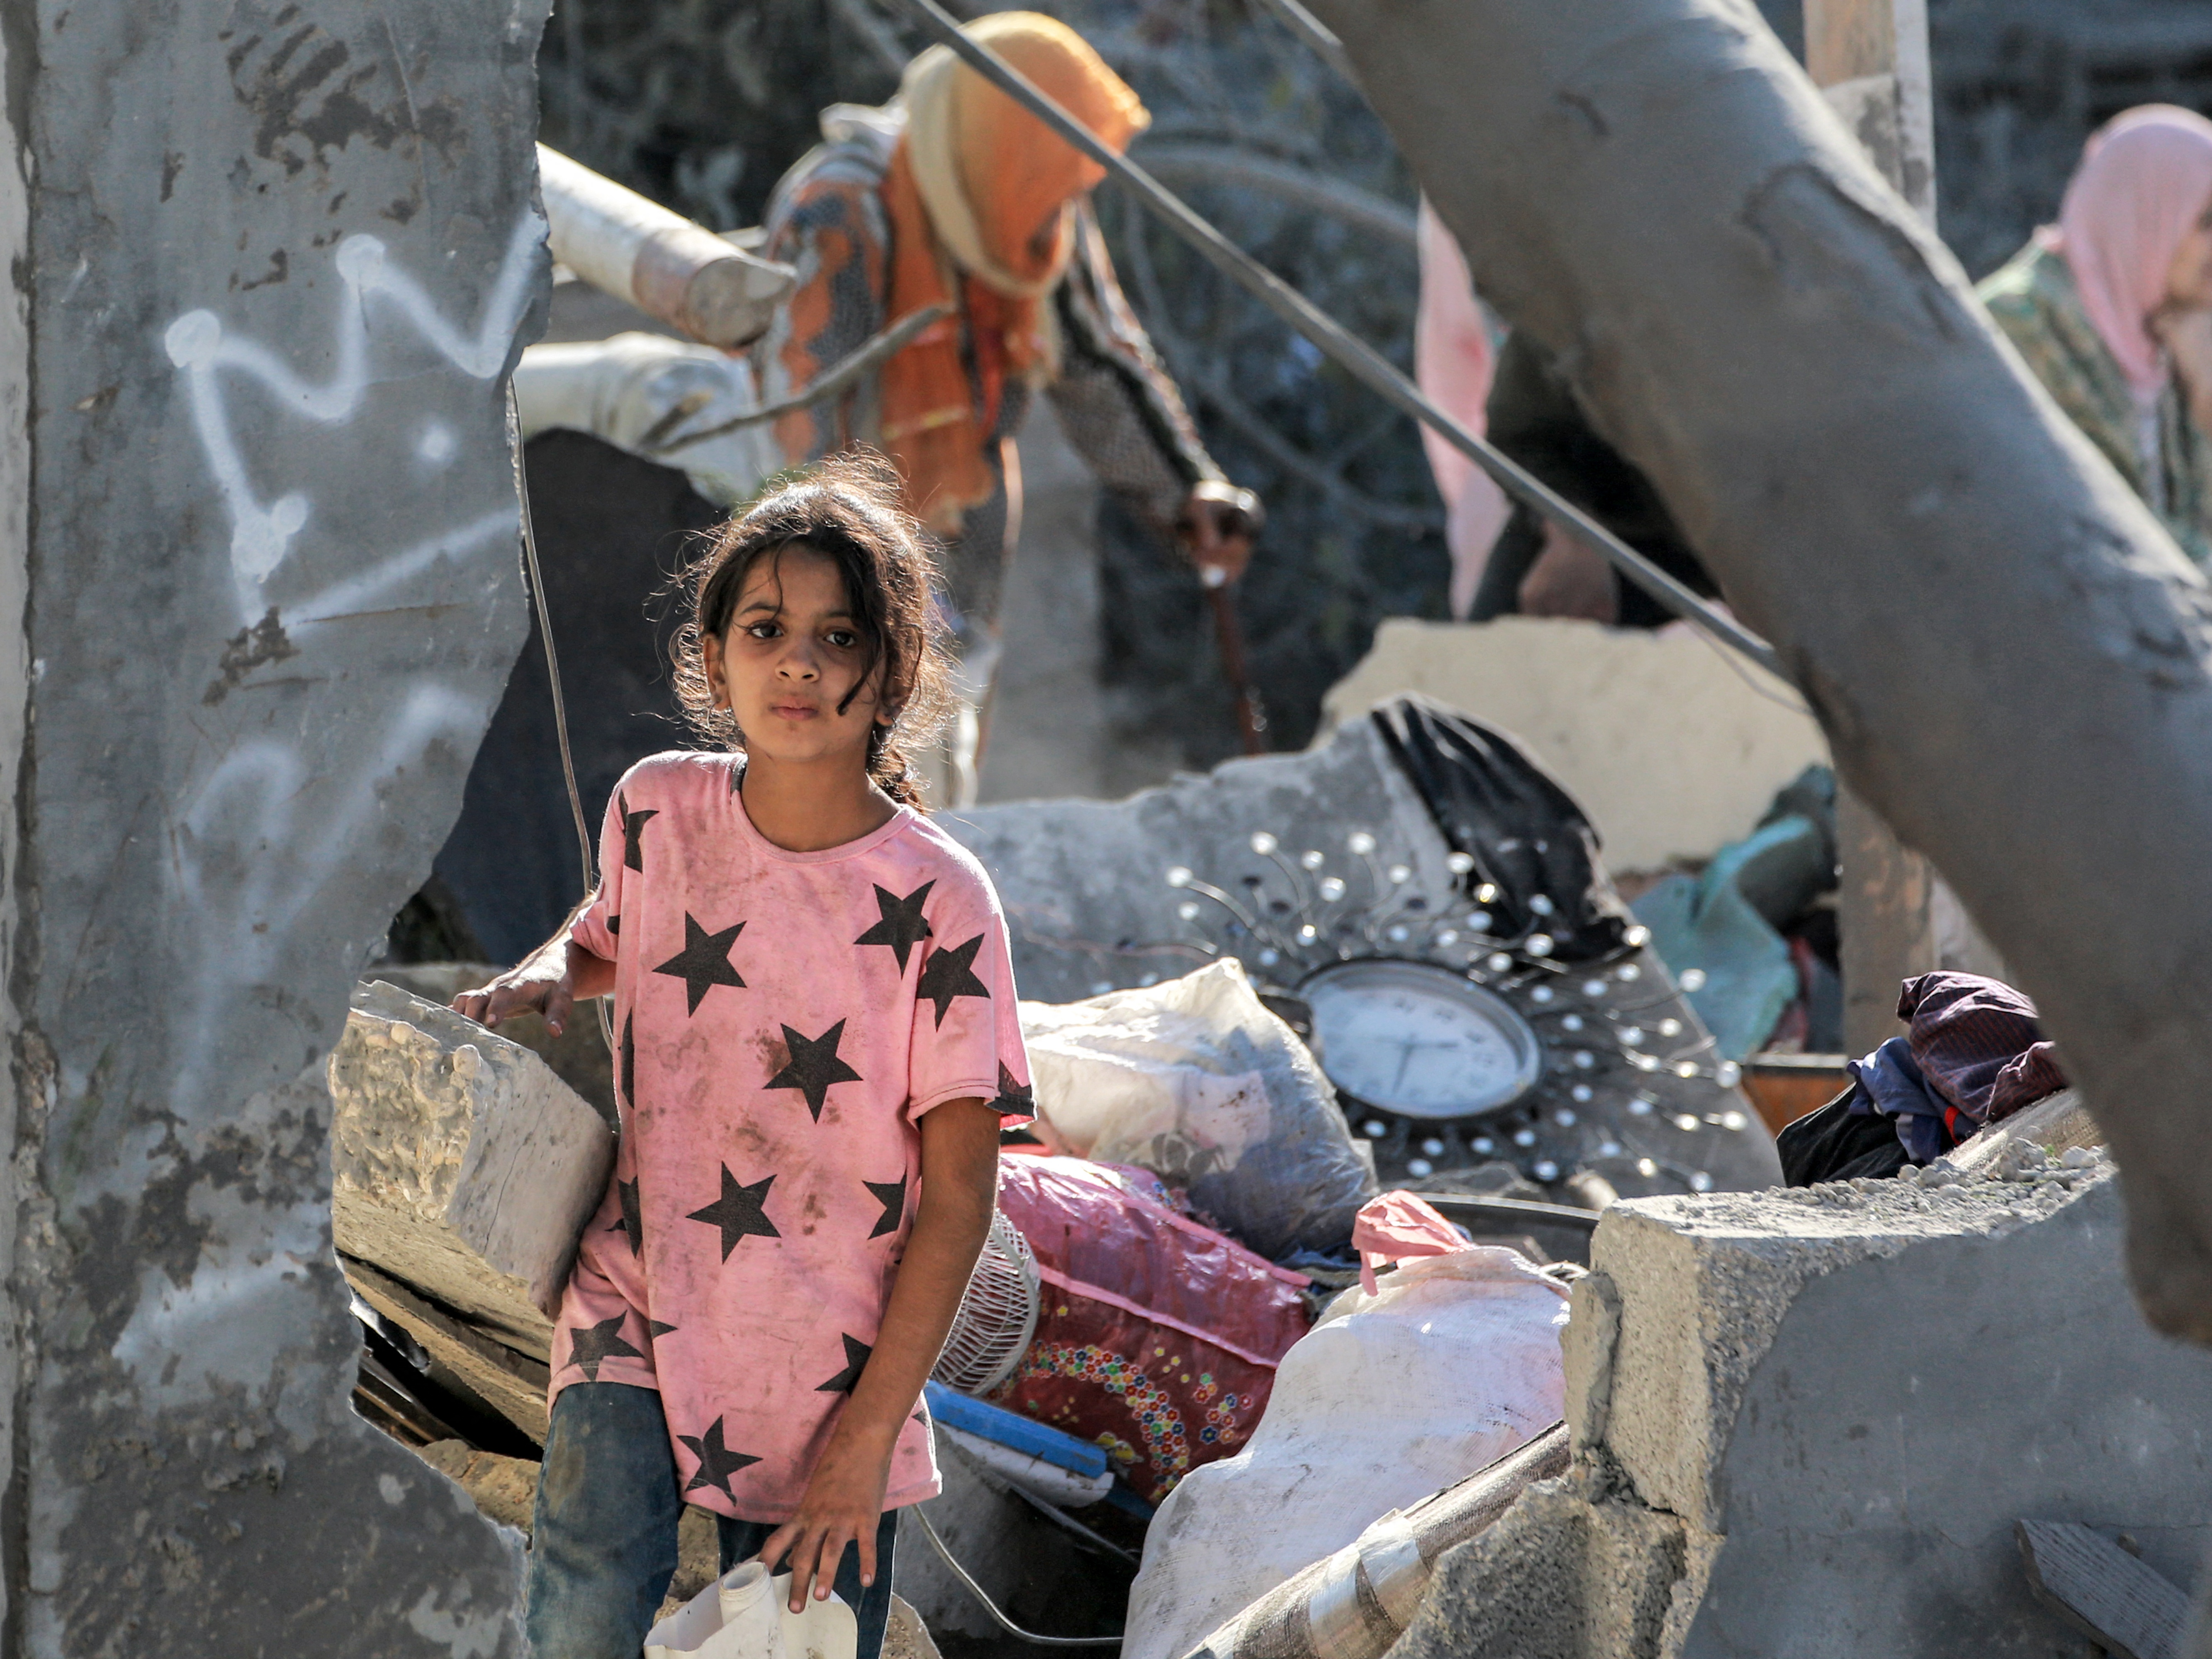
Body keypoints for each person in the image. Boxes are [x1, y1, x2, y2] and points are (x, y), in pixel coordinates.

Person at [453, 453, 1032, 1659]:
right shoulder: (657, 807)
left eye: (837, 636)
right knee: (580, 1597)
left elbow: (961, 1197)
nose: (800, 662)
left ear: (891, 670)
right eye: (766, 628)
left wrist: (868, 1439)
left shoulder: (941, 901)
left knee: (795, 1642)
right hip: (640, 1291)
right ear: (714, 659)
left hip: (826, 1360)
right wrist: (562, 964)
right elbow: (618, 925)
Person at [752, 12, 1261, 801]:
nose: (1060, 206)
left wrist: (1185, 491)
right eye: (1050, 178)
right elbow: (804, 430)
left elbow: (1097, 361)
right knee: (843, 772)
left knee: (946, 767)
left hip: (968, 526)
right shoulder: (844, 213)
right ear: (1002, 145)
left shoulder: (1025, 205)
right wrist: (854, 594)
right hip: (830, 548)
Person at [1979, 104, 2212, 567]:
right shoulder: (2015, 327)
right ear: (2144, 212)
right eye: (2207, 222)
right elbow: (2091, 529)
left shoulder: (2166, 333)